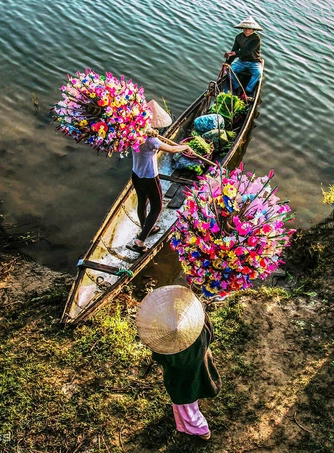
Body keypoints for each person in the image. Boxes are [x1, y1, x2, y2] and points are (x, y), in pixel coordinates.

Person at [135, 285, 221, 441]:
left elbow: (159, 358)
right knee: (200, 385)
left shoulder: (169, 352)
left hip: (182, 381)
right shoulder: (201, 322)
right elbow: (211, 335)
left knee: (187, 406)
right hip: (203, 362)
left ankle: (201, 429)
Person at [127, 100, 193, 253]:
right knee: (157, 207)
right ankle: (140, 242)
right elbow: (170, 149)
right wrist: (186, 147)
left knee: (142, 202)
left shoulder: (132, 134)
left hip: (136, 175)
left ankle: (146, 228)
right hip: (150, 177)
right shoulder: (151, 140)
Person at [223, 16, 263, 102]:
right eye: (245, 28)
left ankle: (248, 91)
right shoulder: (238, 37)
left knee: (258, 73)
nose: (247, 31)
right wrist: (228, 63)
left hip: (254, 61)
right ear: (242, 28)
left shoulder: (256, 39)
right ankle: (238, 88)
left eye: (249, 29)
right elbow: (234, 50)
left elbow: (247, 51)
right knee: (230, 71)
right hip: (242, 60)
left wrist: (235, 53)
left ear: (253, 30)